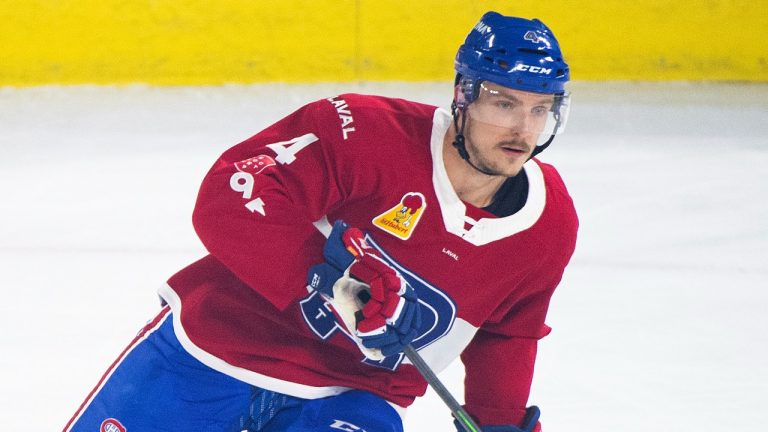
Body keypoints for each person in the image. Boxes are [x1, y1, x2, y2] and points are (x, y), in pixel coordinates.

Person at [64, 11, 577, 432]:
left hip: (352, 399)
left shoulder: (548, 223)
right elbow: (228, 196)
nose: (522, 128)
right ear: (463, 95)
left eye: (540, 109)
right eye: (504, 102)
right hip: (216, 348)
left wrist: (500, 424)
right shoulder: (365, 132)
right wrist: (323, 278)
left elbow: (509, 332)